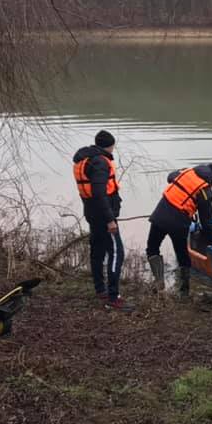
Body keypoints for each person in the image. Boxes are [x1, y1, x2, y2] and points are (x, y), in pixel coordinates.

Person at [73, 130, 128, 309]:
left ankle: (100, 289)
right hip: (103, 215)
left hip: (91, 212)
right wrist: (110, 219)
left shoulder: (85, 158)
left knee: (97, 250)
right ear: (110, 146)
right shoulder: (100, 162)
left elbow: (91, 193)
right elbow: (99, 193)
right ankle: (113, 297)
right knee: (116, 253)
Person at [146, 164, 212, 295]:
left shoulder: (186, 172)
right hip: (179, 223)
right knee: (182, 255)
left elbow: (170, 176)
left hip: (161, 213)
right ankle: (184, 291)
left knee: (152, 247)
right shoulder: (205, 191)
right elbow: (206, 223)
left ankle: (159, 283)